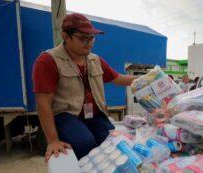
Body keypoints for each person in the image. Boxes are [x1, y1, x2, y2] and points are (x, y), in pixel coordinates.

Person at [33, 13, 137, 161]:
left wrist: (148, 79)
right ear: (65, 36)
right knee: (85, 144)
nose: (89, 43)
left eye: (92, 38)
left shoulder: (95, 60)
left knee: (113, 143)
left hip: (94, 114)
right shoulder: (48, 60)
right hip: (66, 115)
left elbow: (118, 78)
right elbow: (43, 102)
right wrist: (52, 141)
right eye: (83, 38)